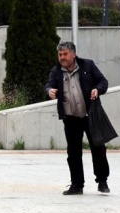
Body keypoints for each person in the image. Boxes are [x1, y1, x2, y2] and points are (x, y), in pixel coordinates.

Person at [44, 41, 110, 195]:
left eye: (65, 54)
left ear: (73, 54)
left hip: (90, 115)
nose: (62, 57)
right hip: (71, 117)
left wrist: (97, 90)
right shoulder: (56, 71)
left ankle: (102, 181)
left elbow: (103, 82)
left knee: (98, 148)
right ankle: (77, 185)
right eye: (60, 55)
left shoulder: (88, 66)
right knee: (73, 152)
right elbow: (48, 85)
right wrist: (50, 91)